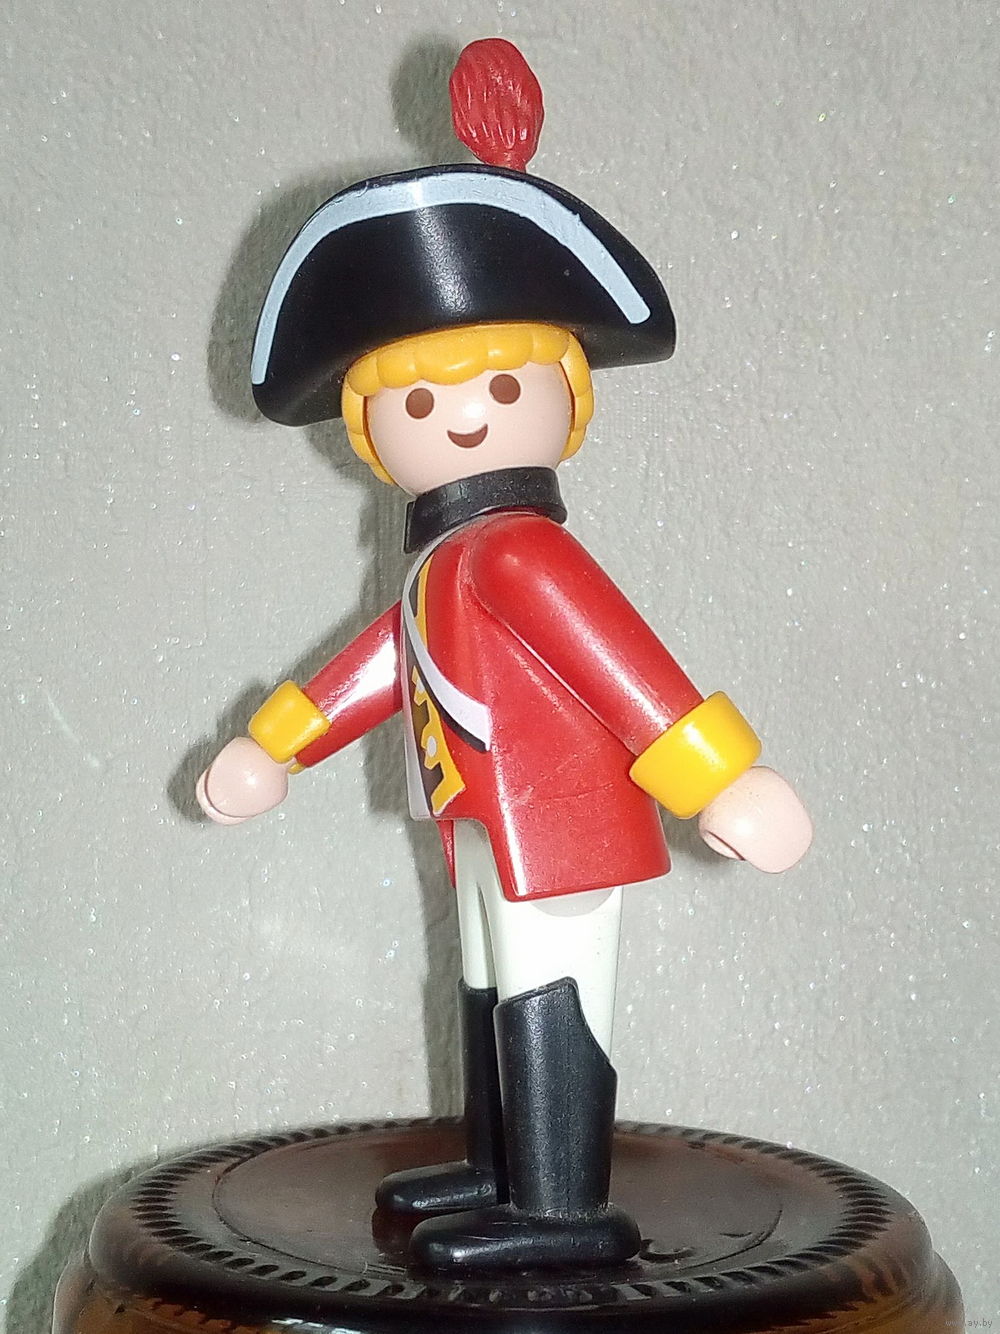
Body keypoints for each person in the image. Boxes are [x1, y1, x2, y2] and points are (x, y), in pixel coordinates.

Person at [197, 39, 812, 1272]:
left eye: (497, 383)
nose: (462, 416)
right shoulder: (438, 563)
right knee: (488, 977)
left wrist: (719, 778)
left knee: (547, 989)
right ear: (371, 433)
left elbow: (622, 663)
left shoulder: (522, 552)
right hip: (486, 816)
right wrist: (274, 745)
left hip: (562, 823)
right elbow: (383, 662)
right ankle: (501, 1167)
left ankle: (561, 1205)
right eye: (420, 402)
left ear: (568, 397)